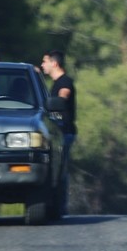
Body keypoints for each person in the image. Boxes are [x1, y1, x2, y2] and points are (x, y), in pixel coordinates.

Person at [41, 50, 76, 216]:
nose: (42, 65)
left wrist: (58, 101)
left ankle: (59, 206)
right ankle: (51, 203)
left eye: (44, 61)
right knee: (52, 169)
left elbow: (62, 98)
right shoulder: (55, 83)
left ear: (54, 63)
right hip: (54, 134)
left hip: (64, 133)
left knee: (60, 169)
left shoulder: (65, 82)